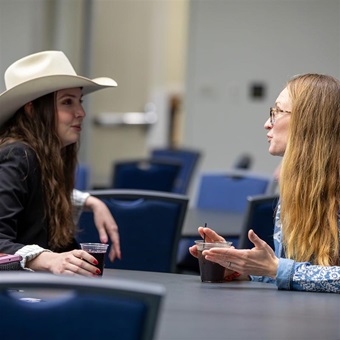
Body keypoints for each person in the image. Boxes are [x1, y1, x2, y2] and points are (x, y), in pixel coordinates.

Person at [189, 73, 340, 293]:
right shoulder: (295, 189)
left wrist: (275, 269)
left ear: (307, 122)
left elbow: (283, 270)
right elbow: (287, 272)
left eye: (277, 112)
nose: (267, 124)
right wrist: (242, 266)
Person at [0, 50, 121, 276]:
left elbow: (31, 195)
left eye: (79, 101)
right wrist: (48, 259)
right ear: (32, 110)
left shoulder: (42, 156)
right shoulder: (17, 155)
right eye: (67, 102)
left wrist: (89, 201)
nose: (81, 112)